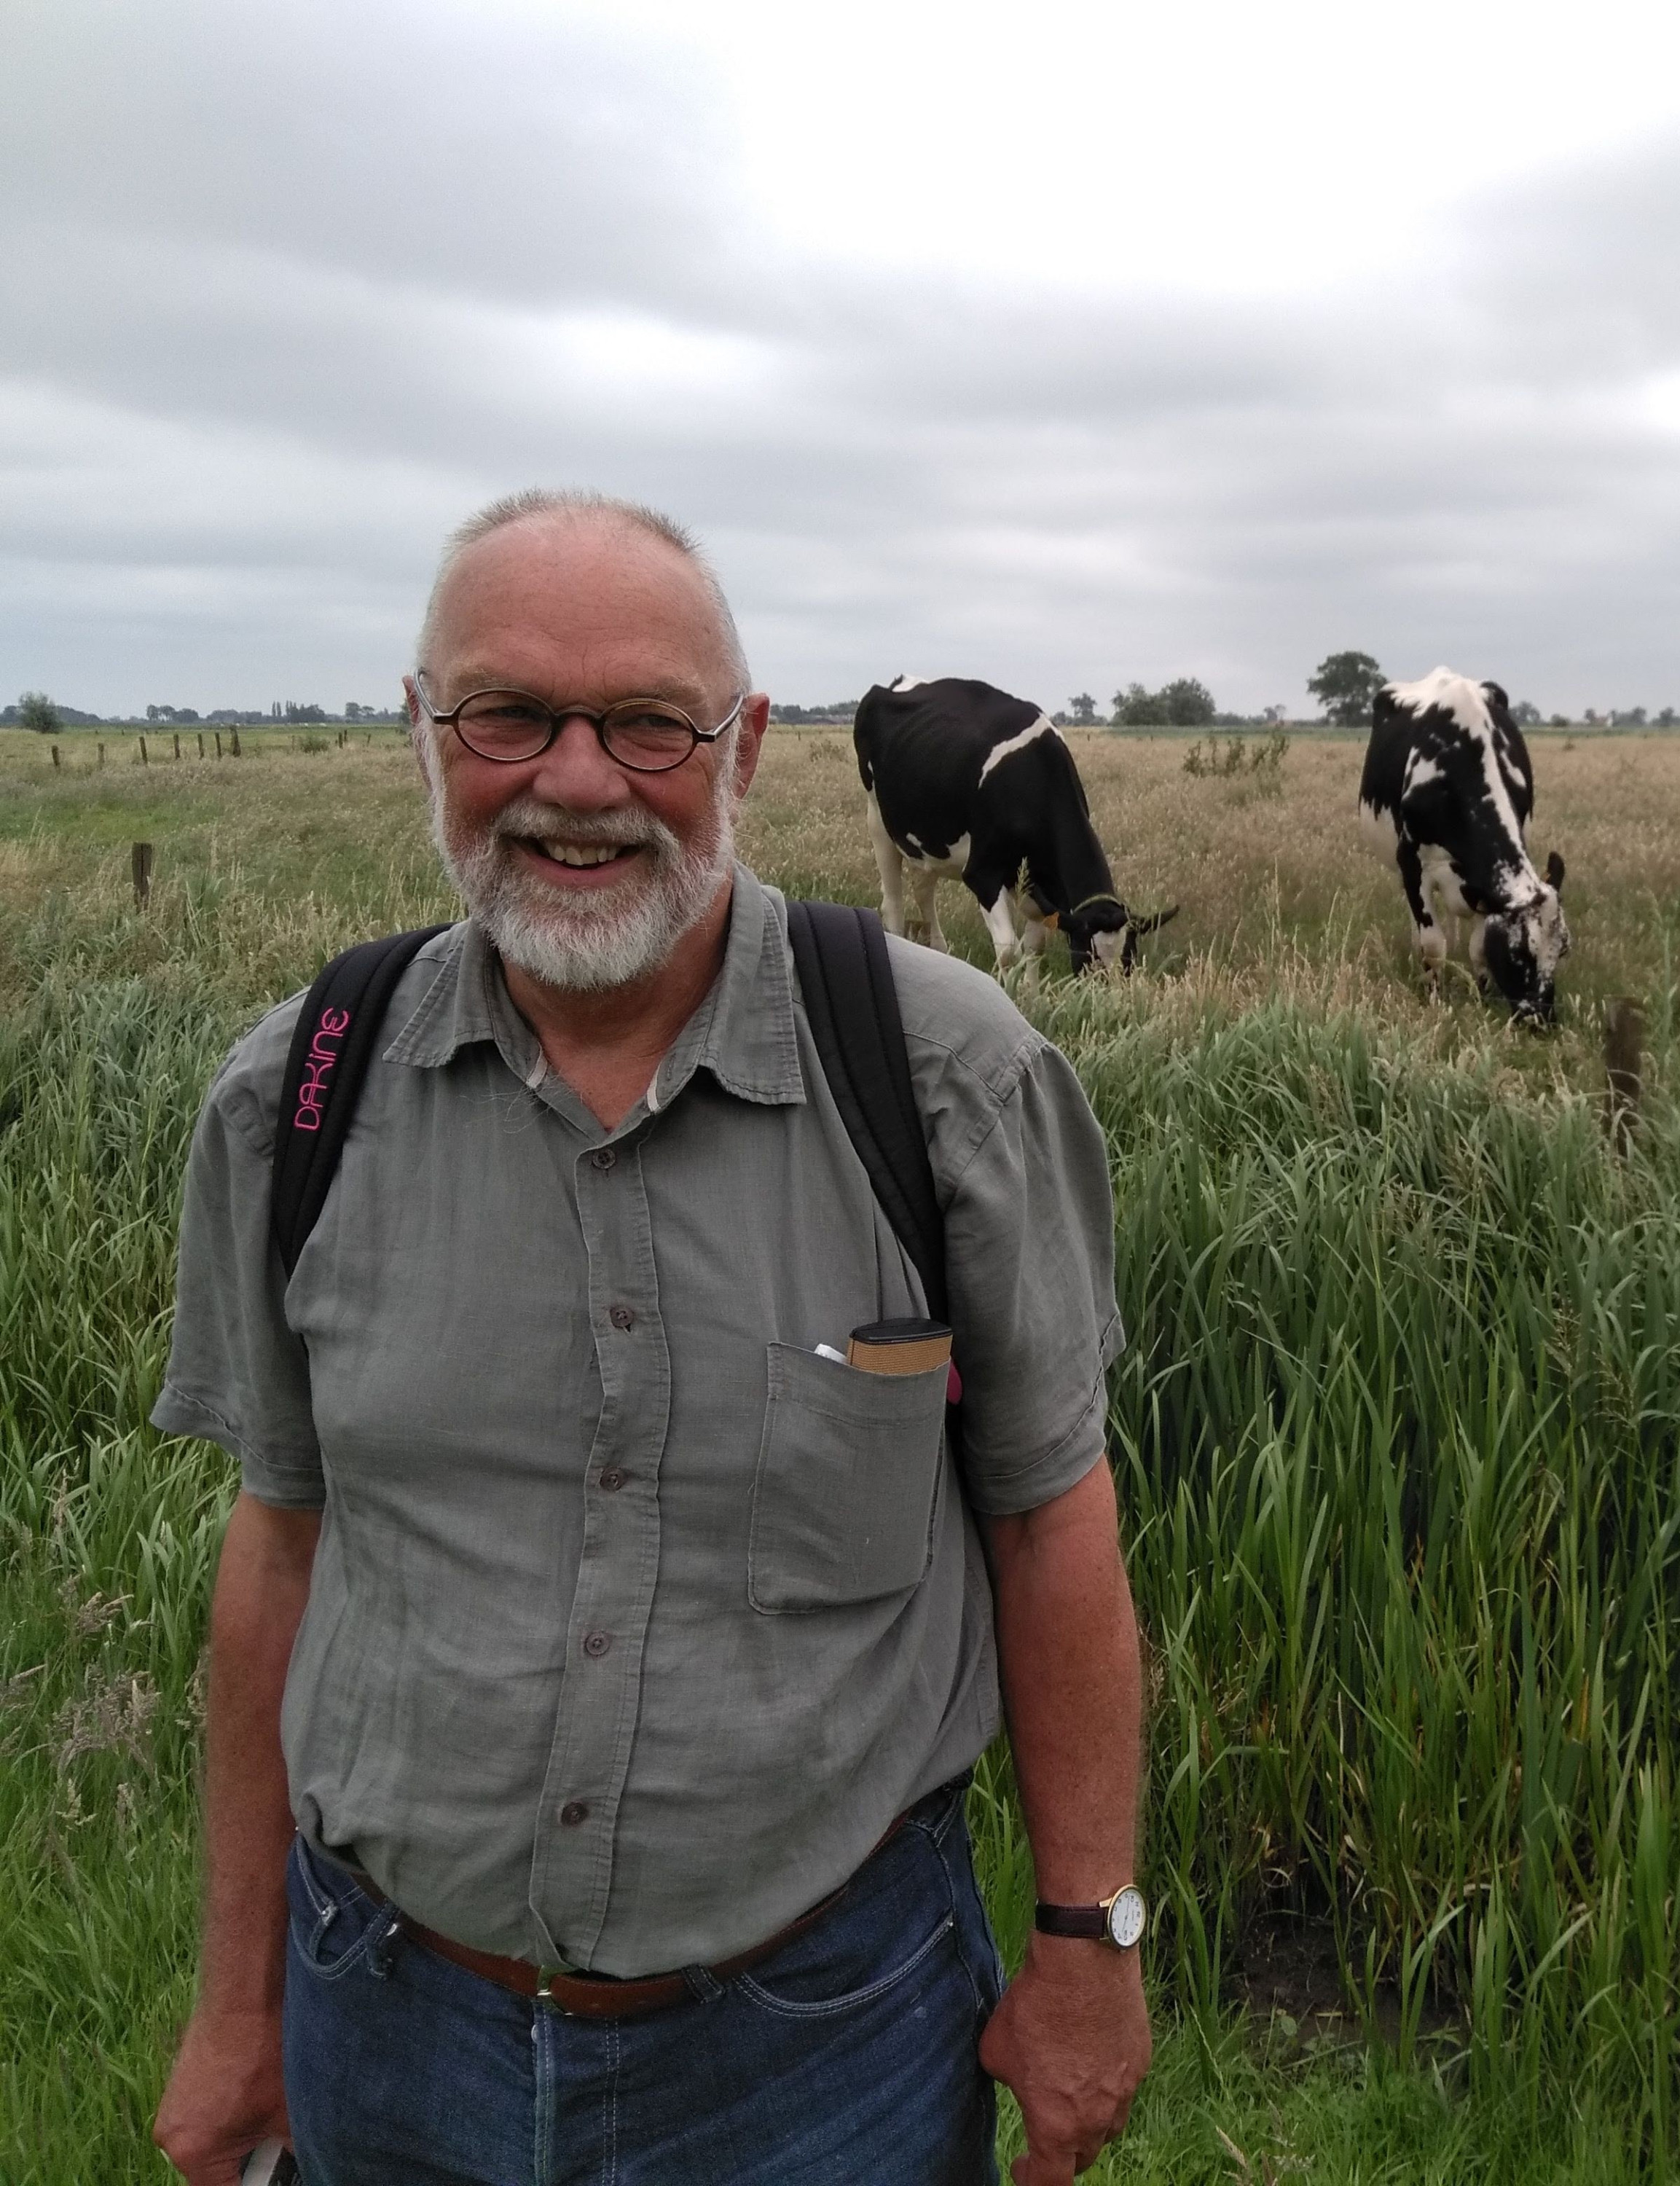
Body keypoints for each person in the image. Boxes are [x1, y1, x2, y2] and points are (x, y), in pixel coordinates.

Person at [148, 490, 1151, 2185]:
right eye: (507, 716)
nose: (578, 783)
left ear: (743, 746)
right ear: (423, 731)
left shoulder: (948, 1079)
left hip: (825, 2046)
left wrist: (1087, 1946)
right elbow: (281, 1550)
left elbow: (1054, 1523)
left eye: (646, 726)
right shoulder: (293, 1094)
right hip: (384, 2022)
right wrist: (235, 2004)